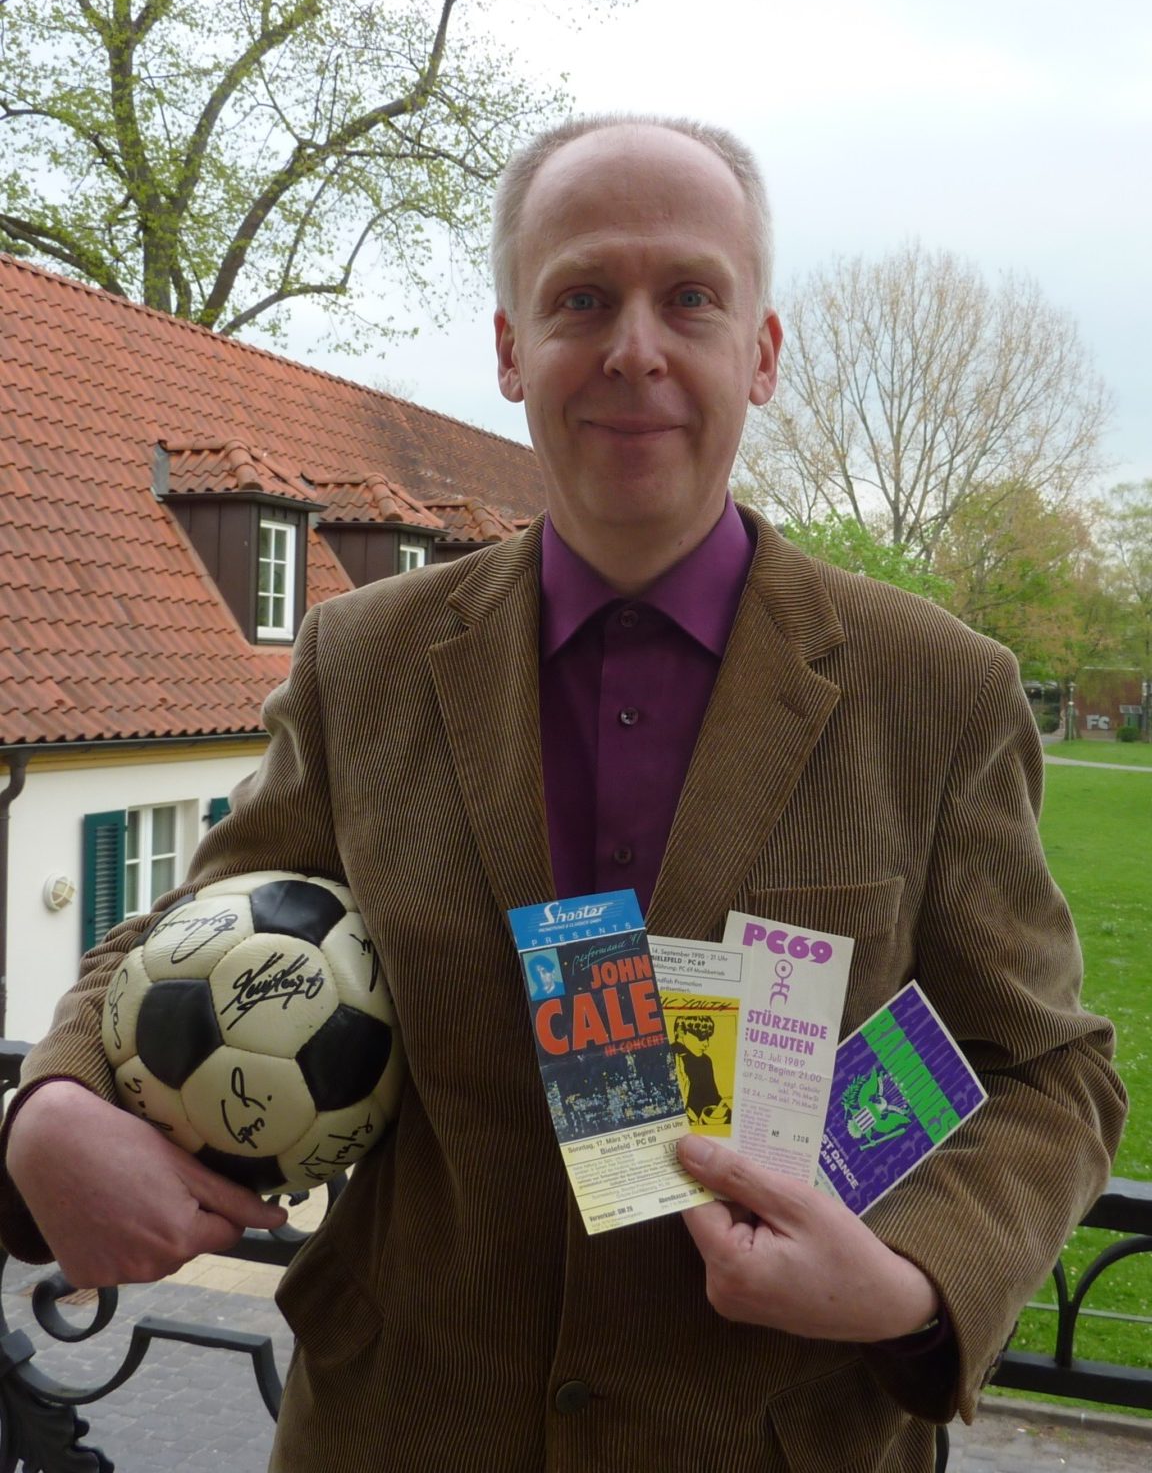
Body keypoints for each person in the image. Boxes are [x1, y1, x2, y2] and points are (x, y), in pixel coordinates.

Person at [0, 116, 1126, 1473]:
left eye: (690, 297)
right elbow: (203, 925)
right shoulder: (365, 659)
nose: (634, 347)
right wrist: (51, 1102)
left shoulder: (936, 690)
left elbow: (1047, 1070)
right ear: (510, 348)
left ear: (762, 352)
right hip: (398, 1437)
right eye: (582, 298)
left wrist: (910, 1281)